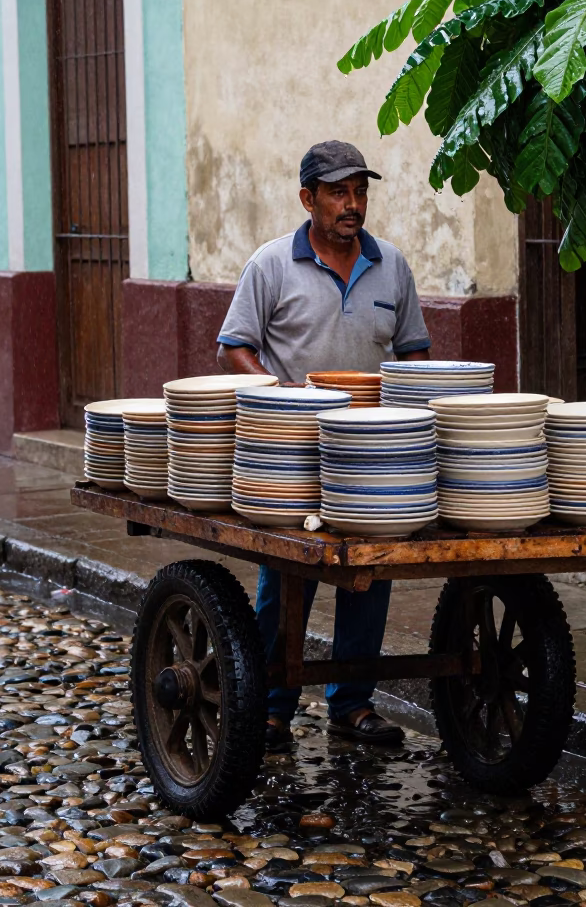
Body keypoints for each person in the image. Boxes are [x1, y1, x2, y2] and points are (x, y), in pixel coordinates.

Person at [216, 140, 432, 748]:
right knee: (285, 579)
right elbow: (233, 343)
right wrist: (279, 397)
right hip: (293, 451)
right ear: (307, 198)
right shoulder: (271, 265)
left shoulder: (391, 265)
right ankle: (271, 704)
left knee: (370, 572)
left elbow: (414, 354)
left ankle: (352, 704)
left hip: (371, 452)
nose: (352, 204)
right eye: (339, 192)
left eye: (360, 191)